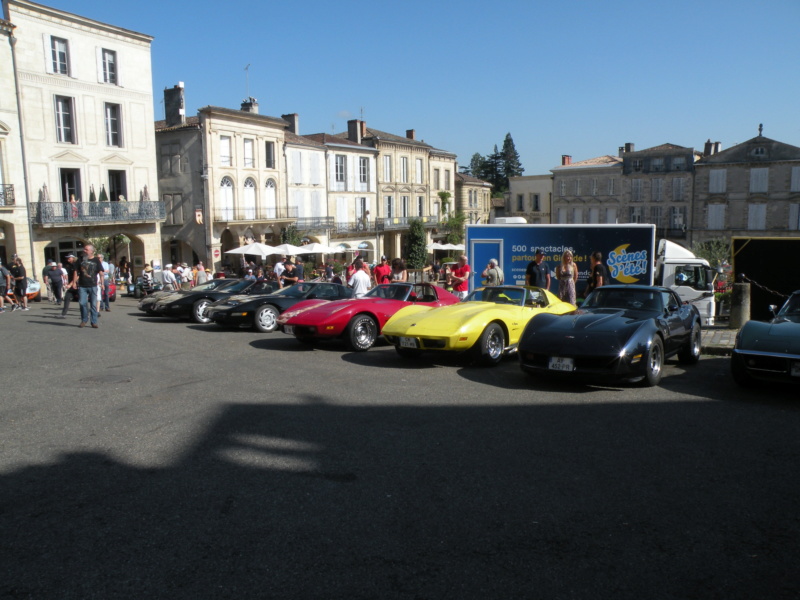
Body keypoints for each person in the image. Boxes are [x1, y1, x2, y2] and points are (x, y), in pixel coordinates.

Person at [75, 244, 103, 328]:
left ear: (91, 251)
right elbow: (76, 271)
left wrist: (102, 282)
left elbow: (100, 271)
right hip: (82, 285)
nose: (84, 250)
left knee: (93, 305)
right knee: (82, 303)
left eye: (86, 249)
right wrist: (73, 282)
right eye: (84, 249)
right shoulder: (80, 259)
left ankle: (94, 322)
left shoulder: (96, 260)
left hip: (93, 285)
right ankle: (84, 320)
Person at [58, 253, 78, 318]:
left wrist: (71, 284)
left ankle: (86, 314)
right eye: (67, 258)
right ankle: (63, 314)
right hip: (71, 286)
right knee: (67, 298)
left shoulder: (76, 265)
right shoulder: (69, 265)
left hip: (78, 285)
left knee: (82, 301)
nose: (68, 259)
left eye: (69, 258)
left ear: (73, 258)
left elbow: (77, 276)